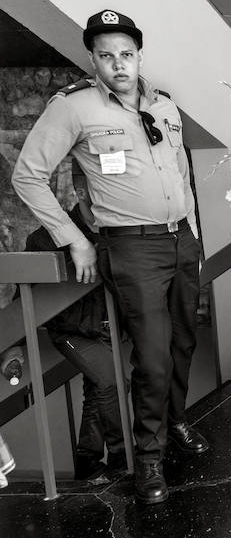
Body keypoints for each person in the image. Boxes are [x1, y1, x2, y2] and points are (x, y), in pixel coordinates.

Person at [12, 9, 208, 505]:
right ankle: (147, 459)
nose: (119, 64)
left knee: (185, 340)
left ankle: (177, 420)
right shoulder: (74, 108)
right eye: (107, 56)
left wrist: (194, 233)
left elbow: (181, 173)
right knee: (154, 355)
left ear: (139, 56)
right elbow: (27, 175)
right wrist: (72, 238)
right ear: (93, 60)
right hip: (132, 245)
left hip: (181, 239)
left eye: (126, 54)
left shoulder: (164, 106)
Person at [25, 165, 126, 485]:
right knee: (111, 380)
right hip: (71, 333)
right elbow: (27, 297)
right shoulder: (46, 238)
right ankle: (124, 457)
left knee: (98, 388)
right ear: (81, 192)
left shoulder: (115, 228)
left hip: (110, 328)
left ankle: (87, 460)